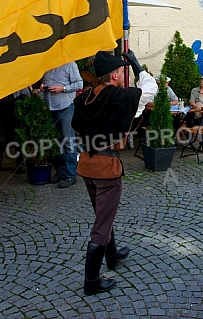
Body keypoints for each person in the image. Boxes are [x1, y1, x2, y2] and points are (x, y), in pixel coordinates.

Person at [73, 49, 157, 295]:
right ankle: (91, 282)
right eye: (121, 70)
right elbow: (150, 89)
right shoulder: (120, 98)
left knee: (103, 214)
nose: (123, 73)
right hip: (106, 169)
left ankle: (112, 254)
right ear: (113, 76)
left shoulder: (83, 97)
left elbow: (76, 126)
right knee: (102, 223)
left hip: (86, 165)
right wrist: (138, 66)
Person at [41, 62, 83, 189]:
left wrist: (62, 88)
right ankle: (61, 171)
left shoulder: (70, 65)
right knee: (57, 141)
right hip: (51, 107)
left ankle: (71, 174)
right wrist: (43, 87)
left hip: (66, 107)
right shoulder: (47, 65)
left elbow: (79, 84)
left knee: (68, 141)